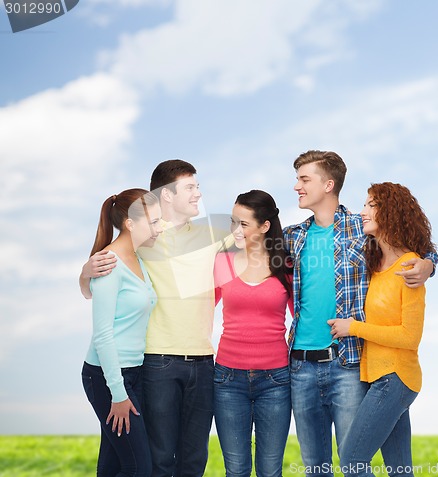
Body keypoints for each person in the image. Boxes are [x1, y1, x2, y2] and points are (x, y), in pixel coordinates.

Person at [282, 150, 438, 477]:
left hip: (348, 363)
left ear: (328, 184)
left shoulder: (361, 227)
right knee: (317, 468)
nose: (296, 186)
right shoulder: (292, 237)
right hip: (300, 365)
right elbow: (248, 244)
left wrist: (429, 264)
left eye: (303, 179)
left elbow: (416, 248)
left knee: (353, 461)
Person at [80, 160, 232, 477]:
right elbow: (98, 285)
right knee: (156, 460)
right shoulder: (146, 238)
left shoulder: (213, 234)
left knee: (193, 459)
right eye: (190, 187)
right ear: (165, 195)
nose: (198, 194)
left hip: (204, 361)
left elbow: (257, 237)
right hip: (157, 361)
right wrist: (84, 274)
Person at [330, 182, 436, 477]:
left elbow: (409, 336)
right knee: (400, 471)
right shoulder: (375, 264)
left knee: (352, 461)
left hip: (396, 378)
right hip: (380, 378)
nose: (363, 211)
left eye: (370, 205)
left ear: (390, 212)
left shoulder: (409, 267)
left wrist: (355, 328)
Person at [81, 188, 163, 477]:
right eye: (154, 221)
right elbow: (102, 334)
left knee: (115, 462)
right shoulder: (109, 263)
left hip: (132, 372)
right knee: (138, 467)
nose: (159, 227)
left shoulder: (138, 259)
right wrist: (118, 393)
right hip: (107, 377)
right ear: (130, 223)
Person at [213, 190, 293, 477]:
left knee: (270, 470)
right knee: (236, 470)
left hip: (276, 381)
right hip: (227, 380)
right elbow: (199, 310)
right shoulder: (222, 261)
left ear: (265, 226)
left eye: (243, 224)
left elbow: (303, 318)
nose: (236, 230)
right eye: (233, 221)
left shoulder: (286, 265)